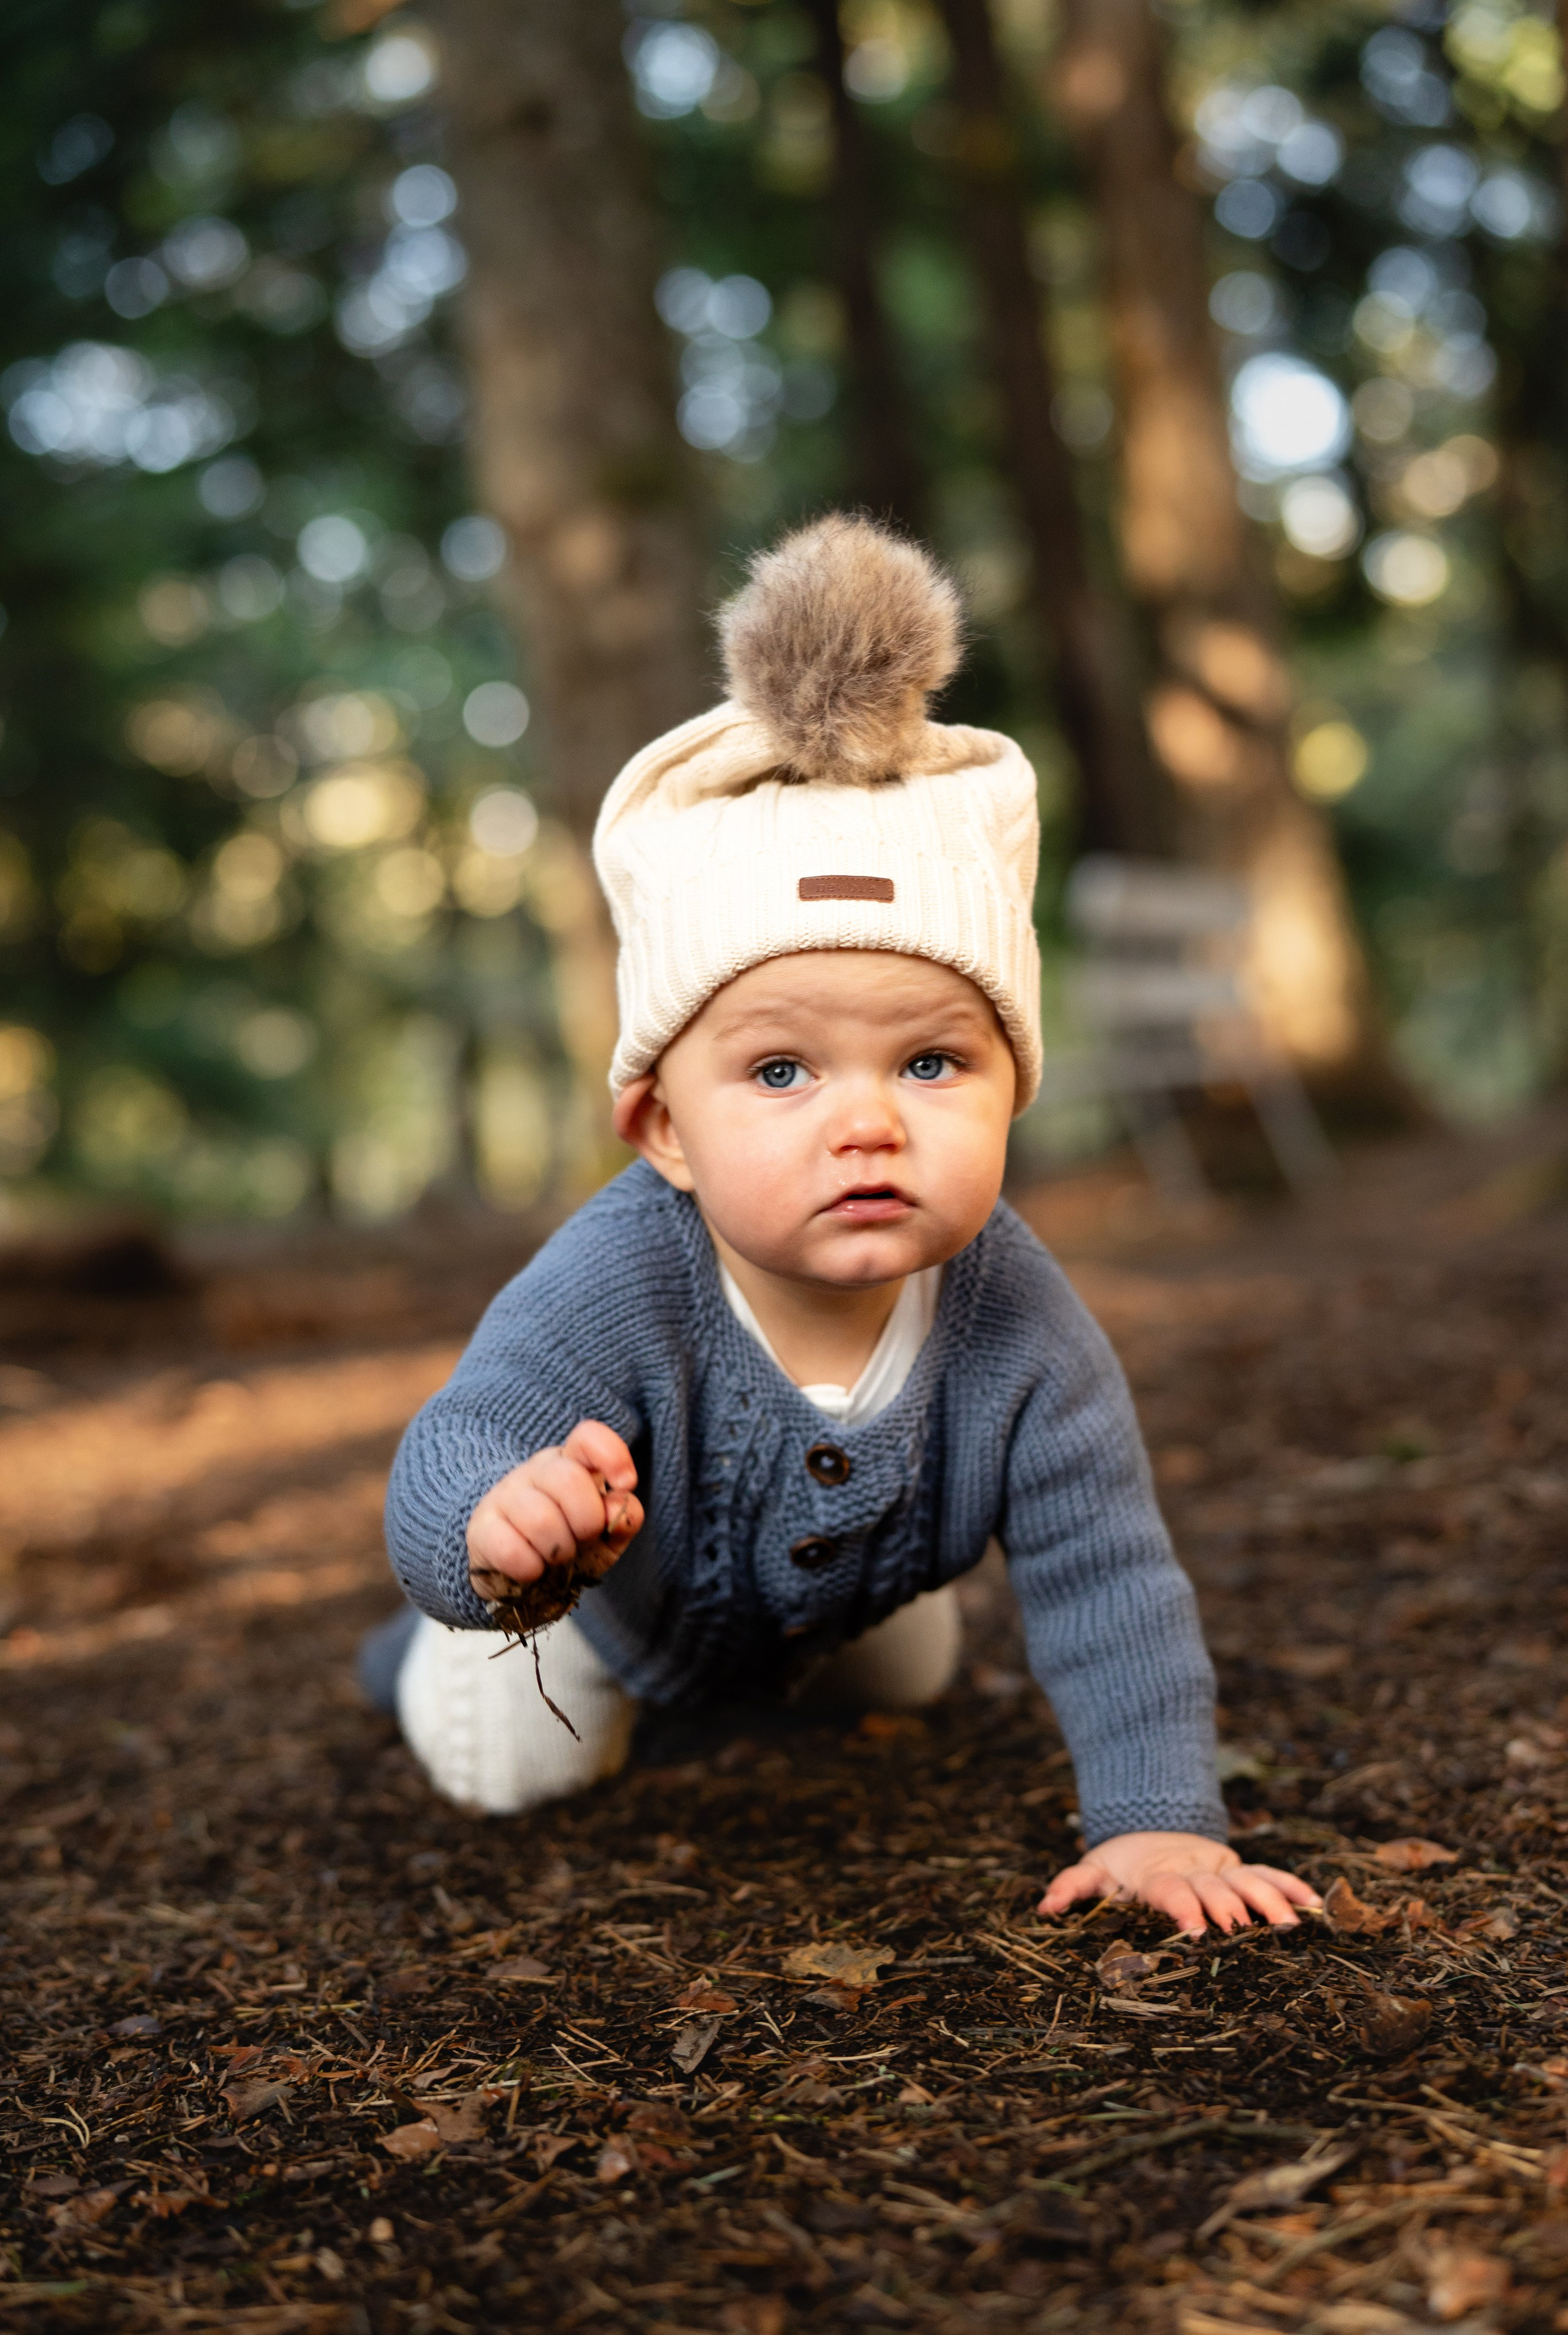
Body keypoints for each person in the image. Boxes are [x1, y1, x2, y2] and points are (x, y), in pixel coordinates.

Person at [367, 515, 1319, 1939]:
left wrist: (1156, 1820)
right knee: (523, 1770)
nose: (865, 1121)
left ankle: (808, 1641)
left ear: (1012, 1085)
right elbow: (458, 1437)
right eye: (779, 1073)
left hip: (829, 1611)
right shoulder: (619, 1278)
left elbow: (1105, 1566)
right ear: (664, 1129)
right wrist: (491, 1530)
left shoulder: (1018, 1317)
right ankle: (424, 1660)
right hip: (590, 1618)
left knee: (909, 1680)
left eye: (931, 1062)